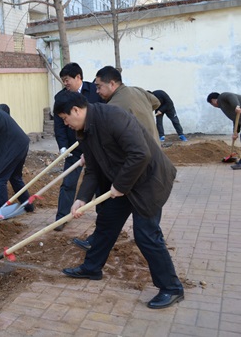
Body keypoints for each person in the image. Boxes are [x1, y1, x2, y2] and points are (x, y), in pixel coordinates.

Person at [54, 90, 184, 309]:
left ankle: (172, 288)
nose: (66, 124)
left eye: (65, 119)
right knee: (107, 222)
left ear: (75, 110)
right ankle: (92, 268)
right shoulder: (84, 131)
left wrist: (120, 186)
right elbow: (93, 169)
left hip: (149, 180)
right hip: (124, 181)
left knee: (146, 234)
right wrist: (82, 198)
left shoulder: (113, 117)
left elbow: (140, 153)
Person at [72, 66, 161, 252]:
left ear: (112, 84)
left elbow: (106, 137)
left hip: (137, 161)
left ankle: (152, 243)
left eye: (99, 87)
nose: (97, 91)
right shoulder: (138, 91)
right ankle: (99, 244)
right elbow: (156, 102)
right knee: (119, 210)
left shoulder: (112, 108)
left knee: (138, 217)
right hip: (150, 154)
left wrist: (93, 152)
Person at [53, 63, 102, 231]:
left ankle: (102, 217)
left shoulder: (94, 91)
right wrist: (62, 147)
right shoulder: (60, 97)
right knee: (68, 182)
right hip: (74, 148)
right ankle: (61, 218)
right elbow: (59, 125)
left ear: (78, 77)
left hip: (95, 146)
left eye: (67, 79)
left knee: (98, 182)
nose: (65, 83)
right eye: (63, 80)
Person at [207, 92, 241, 170]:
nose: (213, 106)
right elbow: (236, 118)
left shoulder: (222, 97)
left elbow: (231, 96)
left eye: (211, 104)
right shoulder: (225, 106)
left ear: (213, 100)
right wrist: (235, 132)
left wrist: (237, 106)